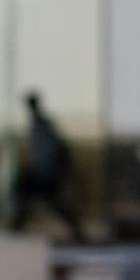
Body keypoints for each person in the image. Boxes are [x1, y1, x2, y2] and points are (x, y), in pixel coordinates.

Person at [11, 91, 85, 243]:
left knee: (51, 202)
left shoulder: (43, 125)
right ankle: (17, 227)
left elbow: (54, 149)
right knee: (26, 196)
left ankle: (77, 231)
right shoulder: (36, 125)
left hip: (46, 173)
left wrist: (58, 170)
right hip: (41, 172)